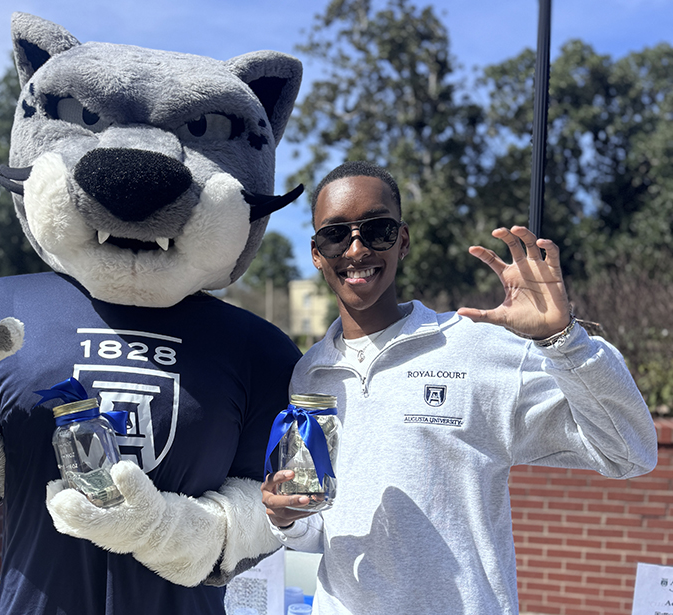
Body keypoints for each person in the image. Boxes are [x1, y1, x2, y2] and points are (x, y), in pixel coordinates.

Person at [261, 160, 657, 614]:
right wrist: (286, 518)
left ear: (403, 240)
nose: (356, 249)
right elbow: (320, 532)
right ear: (316, 252)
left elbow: (630, 452)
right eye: (335, 235)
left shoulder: (477, 347)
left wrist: (562, 338)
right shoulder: (311, 373)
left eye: (377, 230)